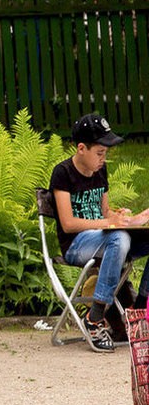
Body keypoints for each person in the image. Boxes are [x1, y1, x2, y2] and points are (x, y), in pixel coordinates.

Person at [50, 112, 149, 351]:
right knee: (118, 238)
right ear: (81, 148)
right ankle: (94, 319)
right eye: (100, 153)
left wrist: (128, 219)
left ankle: (140, 310)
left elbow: (105, 213)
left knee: (124, 236)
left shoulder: (100, 172)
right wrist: (108, 225)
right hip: (76, 245)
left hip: (107, 239)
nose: (103, 159)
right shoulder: (62, 173)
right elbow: (68, 224)